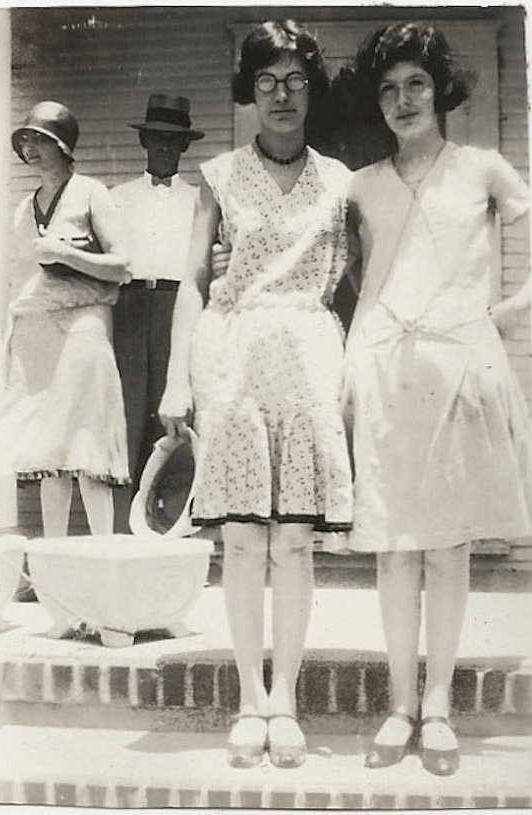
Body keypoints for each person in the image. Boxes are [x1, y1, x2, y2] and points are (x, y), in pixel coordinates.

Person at [337, 23, 532, 776]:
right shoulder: (361, 185)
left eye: (416, 83)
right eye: (388, 89)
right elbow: (346, 275)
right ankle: (398, 704)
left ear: (440, 88)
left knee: (447, 548)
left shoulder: (483, 169)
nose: (402, 100)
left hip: (457, 366)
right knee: (393, 547)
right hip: (385, 370)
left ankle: (441, 705)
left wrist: (510, 312)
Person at [158, 20, 353, 768]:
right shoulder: (217, 175)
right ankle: (248, 696)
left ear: (312, 89)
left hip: (307, 359)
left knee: (296, 540)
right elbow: (193, 282)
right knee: (242, 538)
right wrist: (178, 376)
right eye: (266, 81)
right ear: (249, 90)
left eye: (295, 80)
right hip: (234, 357)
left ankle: (288, 700)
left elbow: (364, 281)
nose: (281, 95)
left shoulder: (341, 181)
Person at [0, 100, 131, 537]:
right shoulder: (22, 211)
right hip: (37, 336)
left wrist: (65, 252)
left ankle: (103, 561)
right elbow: (17, 283)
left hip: (82, 327)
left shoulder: (91, 193)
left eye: (41, 139)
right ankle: (57, 569)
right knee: (49, 453)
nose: (31, 148)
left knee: (89, 450)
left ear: (63, 146)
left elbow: (121, 265)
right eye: (27, 140)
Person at [110, 95, 204, 533]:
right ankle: (122, 535)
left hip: (177, 308)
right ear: (144, 141)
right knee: (128, 417)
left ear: (184, 147)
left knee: (174, 421)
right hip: (130, 309)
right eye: (157, 139)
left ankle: (169, 530)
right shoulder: (117, 198)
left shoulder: (199, 200)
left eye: (174, 141)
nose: (164, 148)